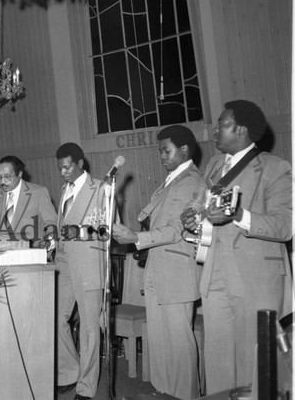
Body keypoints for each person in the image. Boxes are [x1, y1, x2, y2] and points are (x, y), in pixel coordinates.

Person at [181, 100, 292, 394]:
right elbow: (200, 205)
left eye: (221, 124)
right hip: (215, 273)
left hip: (254, 279)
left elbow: (285, 226)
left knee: (251, 364)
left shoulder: (274, 168)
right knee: (217, 360)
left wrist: (239, 215)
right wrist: (192, 217)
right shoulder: (215, 165)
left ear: (240, 129)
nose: (214, 130)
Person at [112, 125, 202, 400]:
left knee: (178, 343)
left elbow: (175, 230)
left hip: (176, 272)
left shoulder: (189, 181)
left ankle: (185, 395)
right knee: (162, 342)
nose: (161, 155)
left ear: (184, 149)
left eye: (166, 150)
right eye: (159, 150)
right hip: (160, 269)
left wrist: (135, 236)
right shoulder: (172, 180)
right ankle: (165, 392)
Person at [55, 143, 109, 400]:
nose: (63, 172)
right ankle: (69, 373)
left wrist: (77, 232)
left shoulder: (101, 188)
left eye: (67, 167)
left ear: (80, 164)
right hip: (64, 262)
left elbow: (108, 230)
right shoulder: (65, 189)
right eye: (60, 168)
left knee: (89, 329)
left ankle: (86, 388)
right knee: (55, 317)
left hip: (89, 265)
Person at [0, 155, 57, 243]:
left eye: (7, 176)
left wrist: (49, 239)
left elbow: (51, 222)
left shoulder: (38, 192)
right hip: (4, 252)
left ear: (19, 174)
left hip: (33, 252)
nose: (2, 181)